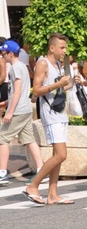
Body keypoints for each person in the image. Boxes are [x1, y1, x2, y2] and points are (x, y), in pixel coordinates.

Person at [23, 33, 74, 205]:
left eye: (65, 47)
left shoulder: (58, 64)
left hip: (59, 112)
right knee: (61, 155)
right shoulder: (43, 63)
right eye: (62, 47)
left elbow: (57, 88)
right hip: (51, 114)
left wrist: (70, 83)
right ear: (52, 48)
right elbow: (36, 90)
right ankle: (33, 185)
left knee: (57, 155)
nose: (65, 51)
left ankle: (53, 194)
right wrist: (58, 85)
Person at [0, 40, 45, 187]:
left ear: (10, 54)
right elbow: (19, 91)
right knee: (29, 139)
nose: (2, 55)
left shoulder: (15, 68)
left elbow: (18, 90)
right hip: (24, 108)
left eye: (4, 53)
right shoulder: (22, 67)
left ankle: (2, 173)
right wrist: (7, 103)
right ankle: (41, 169)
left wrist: (9, 112)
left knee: (2, 139)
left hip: (18, 110)